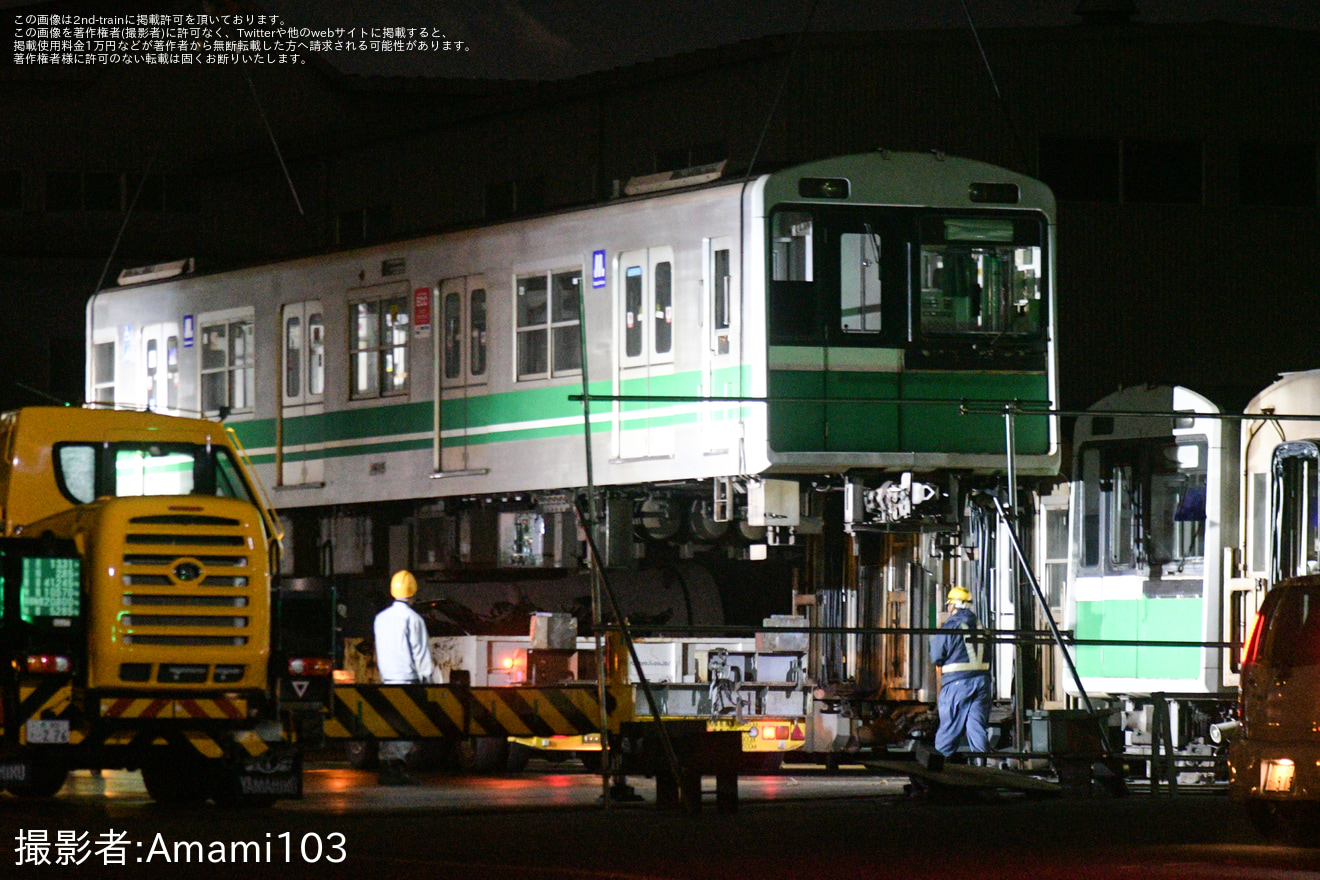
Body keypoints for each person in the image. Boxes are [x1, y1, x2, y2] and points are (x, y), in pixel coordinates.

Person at [373, 569, 442, 785]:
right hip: (408, 679)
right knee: (405, 726)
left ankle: (386, 767)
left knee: (390, 723)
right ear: (413, 593)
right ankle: (397, 769)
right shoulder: (414, 619)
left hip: (387, 678)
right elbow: (421, 653)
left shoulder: (380, 618)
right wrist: (428, 681)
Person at [929, 585, 992, 762]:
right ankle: (981, 772)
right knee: (977, 729)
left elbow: (936, 656)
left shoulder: (952, 625)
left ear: (953, 606)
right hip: (982, 683)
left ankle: (936, 771)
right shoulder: (981, 627)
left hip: (958, 685)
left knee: (949, 729)